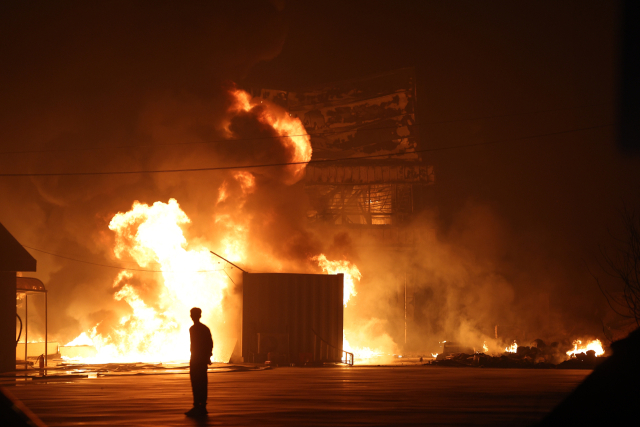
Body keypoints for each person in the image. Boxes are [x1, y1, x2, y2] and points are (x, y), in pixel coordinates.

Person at [185, 307, 213, 417]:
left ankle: (200, 406)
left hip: (198, 359)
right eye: (191, 314)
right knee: (199, 382)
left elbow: (208, 344)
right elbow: (209, 343)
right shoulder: (198, 328)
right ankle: (200, 406)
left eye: (193, 314)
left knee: (198, 382)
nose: (192, 316)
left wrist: (207, 356)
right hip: (197, 358)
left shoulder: (198, 329)